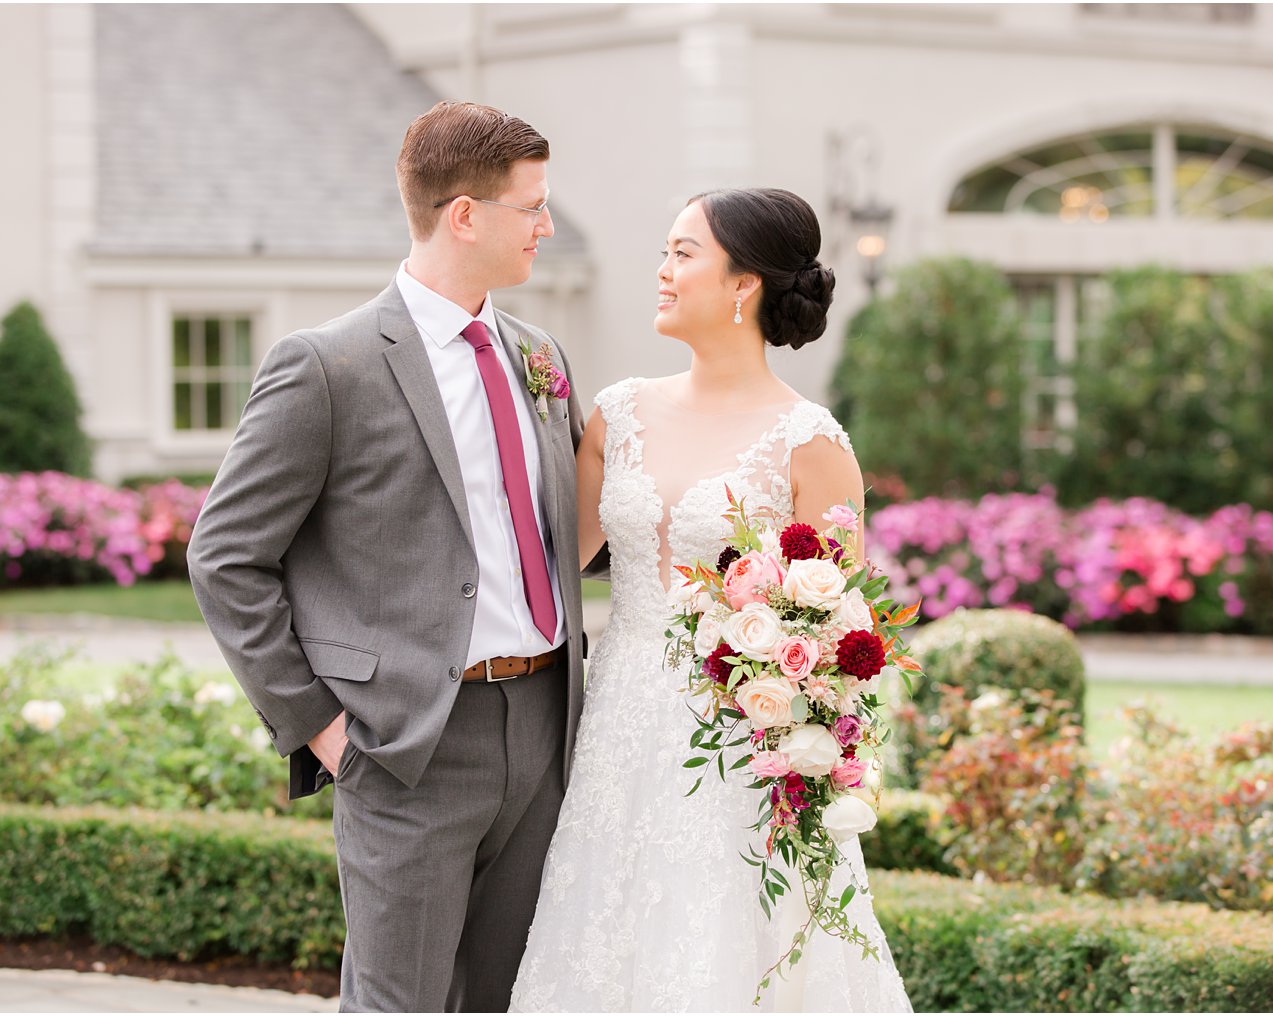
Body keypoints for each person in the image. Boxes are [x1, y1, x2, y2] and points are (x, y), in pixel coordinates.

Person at [187, 101, 589, 1013]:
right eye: (532, 206)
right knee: (398, 1003)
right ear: (464, 215)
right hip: (407, 741)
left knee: (505, 998)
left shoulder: (541, 356)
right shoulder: (326, 366)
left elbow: (573, 534)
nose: (547, 226)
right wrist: (323, 730)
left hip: (544, 723)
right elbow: (225, 557)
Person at [509, 188, 911, 1012]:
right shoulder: (615, 414)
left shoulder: (811, 442)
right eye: (666, 251)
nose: (661, 271)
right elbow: (552, 556)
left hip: (740, 751)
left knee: (725, 949)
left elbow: (842, 632)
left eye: (683, 253)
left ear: (743, 285)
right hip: (615, 729)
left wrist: (802, 733)